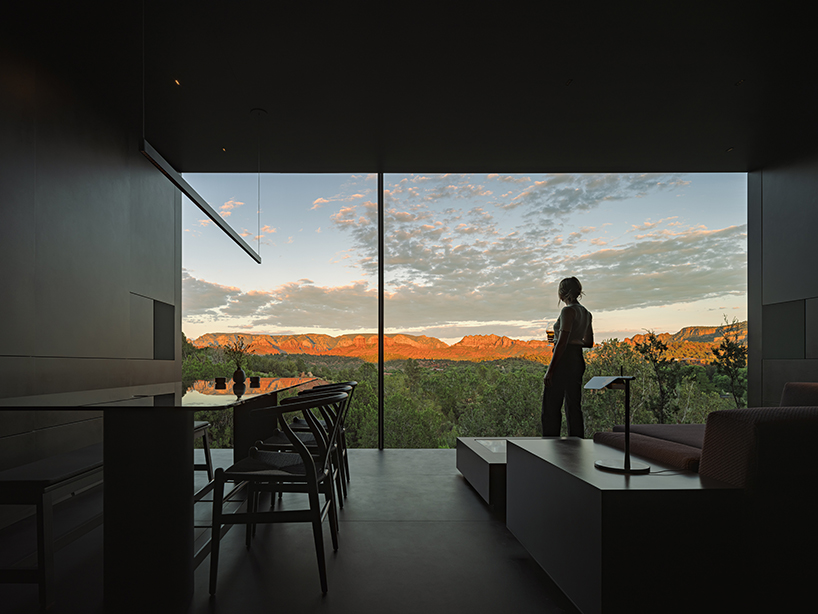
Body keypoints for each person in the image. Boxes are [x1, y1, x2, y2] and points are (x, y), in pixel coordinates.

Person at [542, 276, 594, 437]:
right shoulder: (586, 313)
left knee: (551, 407)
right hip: (577, 360)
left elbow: (562, 343)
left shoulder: (568, 311)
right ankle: (577, 444)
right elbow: (589, 342)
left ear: (561, 293)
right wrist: (572, 340)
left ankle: (550, 445)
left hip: (564, 360)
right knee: (573, 406)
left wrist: (550, 370)